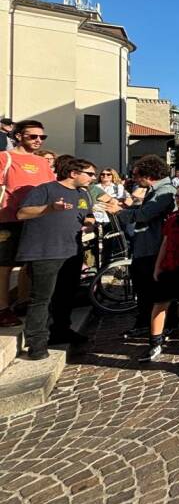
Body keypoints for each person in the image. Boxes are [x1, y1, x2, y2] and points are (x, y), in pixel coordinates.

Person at [16, 158, 96, 359]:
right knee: (41, 299)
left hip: (72, 252)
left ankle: (61, 330)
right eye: (90, 173)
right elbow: (22, 213)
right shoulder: (44, 190)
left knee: (66, 296)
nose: (93, 178)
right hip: (45, 252)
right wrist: (49, 208)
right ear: (73, 173)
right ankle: (36, 343)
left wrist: (90, 222)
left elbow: (87, 215)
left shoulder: (83, 194)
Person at [106, 155, 176, 338]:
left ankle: (158, 325)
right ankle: (151, 323)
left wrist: (119, 212)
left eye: (137, 175)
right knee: (147, 288)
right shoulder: (156, 190)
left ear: (149, 175)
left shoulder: (163, 191)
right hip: (148, 246)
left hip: (153, 247)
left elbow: (145, 215)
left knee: (152, 289)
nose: (135, 179)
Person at [139, 184, 179, 362]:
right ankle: (154, 342)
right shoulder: (172, 218)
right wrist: (158, 266)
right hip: (170, 265)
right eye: (177, 195)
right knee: (160, 303)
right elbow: (165, 242)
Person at [0, 120, 56, 326]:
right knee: (4, 265)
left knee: (28, 263)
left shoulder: (42, 163)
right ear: (18, 136)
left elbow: (51, 189)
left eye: (42, 137)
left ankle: (23, 301)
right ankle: (2, 308)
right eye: (33, 136)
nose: (38, 140)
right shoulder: (4, 158)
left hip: (36, 219)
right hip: (7, 219)